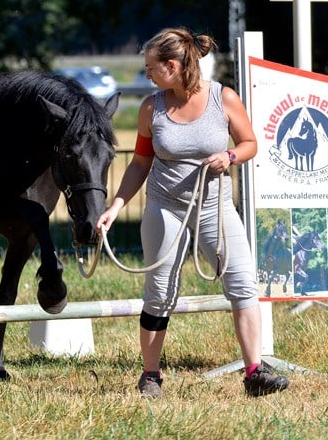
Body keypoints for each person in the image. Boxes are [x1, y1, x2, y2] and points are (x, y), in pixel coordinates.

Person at [96, 27, 290, 398]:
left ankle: (254, 372)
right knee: (160, 292)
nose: (147, 74)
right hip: (165, 208)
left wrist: (229, 156)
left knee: (242, 283)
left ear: (172, 66)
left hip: (215, 209)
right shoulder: (152, 108)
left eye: (151, 67)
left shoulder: (223, 98)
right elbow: (139, 163)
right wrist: (116, 205)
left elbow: (250, 143)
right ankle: (150, 374)